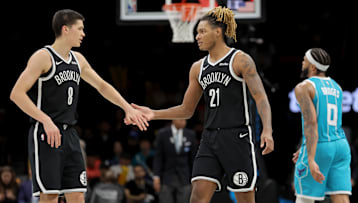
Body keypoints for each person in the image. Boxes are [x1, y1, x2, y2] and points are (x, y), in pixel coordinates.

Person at [129, 6, 274, 203]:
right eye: (196, 32)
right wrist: (153, 114)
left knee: (245, 200)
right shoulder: (198, 68)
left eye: (202, 31)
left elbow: (261, 98)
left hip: (237, 137)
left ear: (218, 32)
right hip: (209, 138)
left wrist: (267, 130)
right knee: (197, 196)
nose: (197, 36)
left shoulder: (240, 60)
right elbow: (186, 110)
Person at [9, 9, 149, 203]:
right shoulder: (43, 56)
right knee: (49, 196)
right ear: (65, 29)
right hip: (46, 132)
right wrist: (45, 120)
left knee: (76, 194)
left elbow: (102, 85)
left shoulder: (78, 59)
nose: (83, 33)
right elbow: (16, 94)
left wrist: (127, 107)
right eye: (80, 29)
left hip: (70, 135)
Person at [292, 48, 351, 203]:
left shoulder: (304, 87)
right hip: (340, 145)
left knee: (305, 198)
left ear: (312, 67)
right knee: (341, 197)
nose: (302, 62)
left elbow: (312, 123)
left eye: (304, 60)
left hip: (320, 147)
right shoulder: (336, 87)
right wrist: (305, 146)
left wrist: (310, 157)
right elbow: (327, 122)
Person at [153, 119, 197, 203]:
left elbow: (193, 158)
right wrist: (156, 177)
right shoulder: (162, 134)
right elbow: (158, 157)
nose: (183, 122)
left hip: (185, 177)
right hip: (166, 176)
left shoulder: (190, 134)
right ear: (174, 120)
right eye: (181, 120)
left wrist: (194, 177)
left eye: (185, 120)